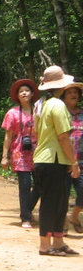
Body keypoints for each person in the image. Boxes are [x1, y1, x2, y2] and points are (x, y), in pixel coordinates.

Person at [33, 68, 81, 256]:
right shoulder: (58, 105)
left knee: (60, 203)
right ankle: (45, 245)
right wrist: (74, 162)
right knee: (51, 203)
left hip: (52, 160)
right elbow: (63, 137)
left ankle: (59, 241)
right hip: (51, 160)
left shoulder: (45, 104)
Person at [1, 79, 40, 228]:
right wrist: (4, 156)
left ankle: (27, 210)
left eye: (27, 90)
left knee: (40, 185)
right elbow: (8, 136)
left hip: (38, 152)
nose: (24, 93)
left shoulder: (39, 112)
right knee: (25, 185)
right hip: (19, 154)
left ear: (32, 94)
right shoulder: (12, 113)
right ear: (17, 95)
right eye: (21, 91)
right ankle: (26, 218)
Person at [62, 81, 83, 232]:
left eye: (75, 92)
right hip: (63, 161)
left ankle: (74, 216)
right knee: (63, 193)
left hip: (81, 160)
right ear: (64, 96)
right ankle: (62, 222)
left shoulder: (82, 114)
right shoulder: (61, 113)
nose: (73, 95)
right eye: (69, 92)